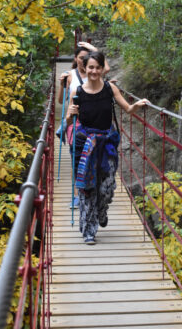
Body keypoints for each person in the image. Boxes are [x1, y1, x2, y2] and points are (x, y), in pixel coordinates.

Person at [66, 51, 148, 244]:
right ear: (85, 68)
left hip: (107, 143)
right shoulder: (76, 92)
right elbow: (69, 121)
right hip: (85, 143)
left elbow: (127, 109)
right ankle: (89, 231)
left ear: (103, 69)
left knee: (107, 187)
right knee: (87, 188)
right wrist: (70, 114)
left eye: (97, 67)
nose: (94, 71)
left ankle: (102, 210)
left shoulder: (110, 89)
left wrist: (138, 104)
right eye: (90, 67)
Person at [57, 42, 110, 209]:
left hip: (94, 123)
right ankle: (77, 194)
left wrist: (93, 48)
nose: (82, 61)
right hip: (76, 122)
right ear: (75, 59)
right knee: (78, 158)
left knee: (92, 160)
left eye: (85, 58)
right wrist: (61, 84)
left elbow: (104, 67)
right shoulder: (69, 75)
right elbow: (60, 101)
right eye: (80, 58)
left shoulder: (94, 73)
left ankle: (93, 191)